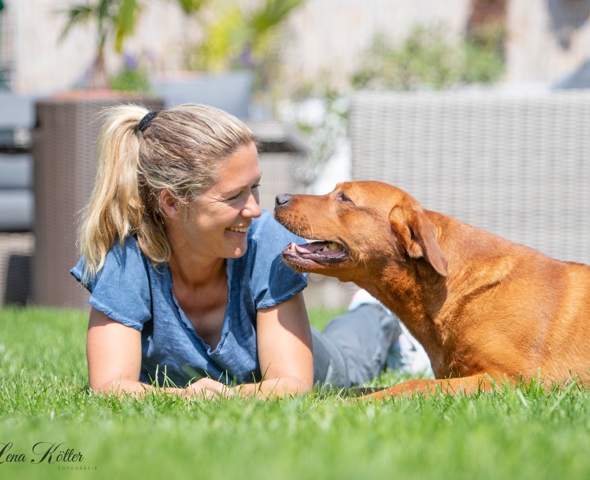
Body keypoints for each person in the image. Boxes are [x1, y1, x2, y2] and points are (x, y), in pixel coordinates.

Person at [71, 103, 429, 400]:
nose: (255, 209)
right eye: (233, 197)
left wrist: (219, 397)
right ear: (171, 203)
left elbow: (293, 384)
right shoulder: (126, 258)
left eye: (254, 188)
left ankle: (376, 316)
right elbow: (108, 386)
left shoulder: (267, 243)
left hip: (320, 363)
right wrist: (189, 397)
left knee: (352, 360)